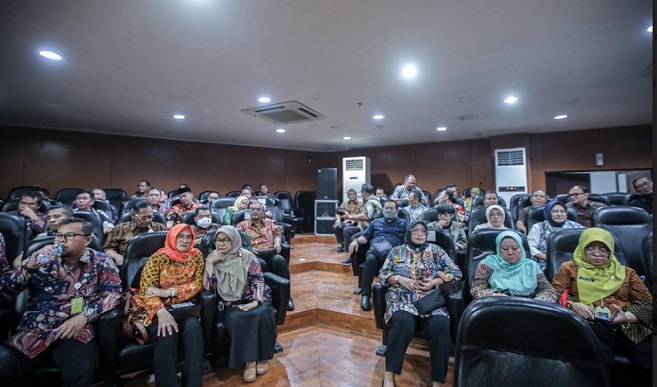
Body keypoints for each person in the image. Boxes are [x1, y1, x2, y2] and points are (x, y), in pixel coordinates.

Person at [0, 218, 122, 387]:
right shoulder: (40, 260)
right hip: (33, 331)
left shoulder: (100, 261)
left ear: (87, 240)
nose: (61, 240)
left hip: (74, 332)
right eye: (58, 236)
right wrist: (29, 267)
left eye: (70, 235)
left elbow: (113, 294)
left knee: (81, 368)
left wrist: (84, 317)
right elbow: (4, 290)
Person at [552, 228, 653, 385]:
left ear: (611, 251)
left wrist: (626, 317)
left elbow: (647, 304)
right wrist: (573, 305)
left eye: (603, 249)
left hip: (626, 326)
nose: (597, 254)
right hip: (586, 325)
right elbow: (555, 294)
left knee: (648, 359)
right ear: (582, 249)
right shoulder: (569, 268)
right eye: (590, 248)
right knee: (597, 362)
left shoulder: (626, 273)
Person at [378, 221, 462, 387]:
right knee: (402, 323)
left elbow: (456, 272)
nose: (419, 234)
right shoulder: (396, 251)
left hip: (430, 301)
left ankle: (438, 381)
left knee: (440, 324)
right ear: (409, 233)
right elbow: (383, 274)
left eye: (423, 231)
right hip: (402, 299)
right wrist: (400, 279)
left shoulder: (436, 251)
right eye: (415, 231)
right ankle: (389, 376)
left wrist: (435, 281)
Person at [131, 224, 204, 387]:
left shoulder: (196, 255)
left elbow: (198, 284)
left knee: (193, 329)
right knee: (166, 332)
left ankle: (193, 384)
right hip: (150, 310)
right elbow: (146, 291)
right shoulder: (158, 257)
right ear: (172, 237)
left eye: (189, 237)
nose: (184, 241)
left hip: (183, 308)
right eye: (180, 236)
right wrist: (161, 312)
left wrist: (170, 292)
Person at [203, 226, 277, 383]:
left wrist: (255, 302)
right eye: (218, 240)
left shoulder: (247, 256)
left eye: (226, 240)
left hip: (255, 297)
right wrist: (209, 263)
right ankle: (250, 361)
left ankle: (263, 357)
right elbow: (209, 287)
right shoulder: (214, 258)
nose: (221, 244)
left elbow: (258, 280)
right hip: (232, 302)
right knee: (238, 319)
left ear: (235, 240)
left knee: (264, 313)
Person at [348, 200, 407, 311]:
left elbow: (408, 240)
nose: (388, 210)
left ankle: (393, 295)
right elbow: (365, 237)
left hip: (394, 254)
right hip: (375, 251)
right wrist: (355, 240)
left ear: (397, 211)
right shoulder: (376, 222)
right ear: (383, 209)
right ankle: (365, 295)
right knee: (370, 259)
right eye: (386, 208)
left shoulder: (404, 223)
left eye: (391, 208)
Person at [237, 202, 295, 311]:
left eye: (258, 209)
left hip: (270, 253)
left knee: (280, 260)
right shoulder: (242, 225)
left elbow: (277, 235)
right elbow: (236, 243)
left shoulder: (270, 223)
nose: (255, 211)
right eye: (253, 209)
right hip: (253, 255)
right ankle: (264, 296)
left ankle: (286, 297)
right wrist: (248, 249)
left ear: (263, 212)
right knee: (260, 264)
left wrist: (277, 243)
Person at [470, 231, 557, 302]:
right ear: (498, 250)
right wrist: (494, 295)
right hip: (497, 305)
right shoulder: (487, 264)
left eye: (515, 248)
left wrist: (536, 302)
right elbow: (476, 290)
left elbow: (549, 290)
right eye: (504, 249)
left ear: (522, 249)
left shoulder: (532, 266)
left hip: (530, 307)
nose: (510, 252)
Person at [104, 201, 167, 266]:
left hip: (156, 263)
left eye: (150, 217)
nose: (147, 220)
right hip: (127, 264)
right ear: (133, 216)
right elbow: (108, 249)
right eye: (143, 217)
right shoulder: (119, 229)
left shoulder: (160, 228)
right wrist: (117, 256)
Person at [527, 201, 583, 270]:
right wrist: (549, 259)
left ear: (566, 214)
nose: (559, 214)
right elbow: (530, 248)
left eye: (562, 211)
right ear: (548, 213)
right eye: (555, 211)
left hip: (574, 264)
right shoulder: (539, 227)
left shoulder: (576, 226)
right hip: (546, 264)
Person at [339, 184, 382, 265]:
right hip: (362, 226)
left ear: (364, 193)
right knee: (347, 230)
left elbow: (366, 217)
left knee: (354, 237)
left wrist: (350, 216)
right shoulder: (370, 201)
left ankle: (355, 258)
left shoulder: (372, 202)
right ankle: (350, 255)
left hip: (370, 229)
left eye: (361, 193)